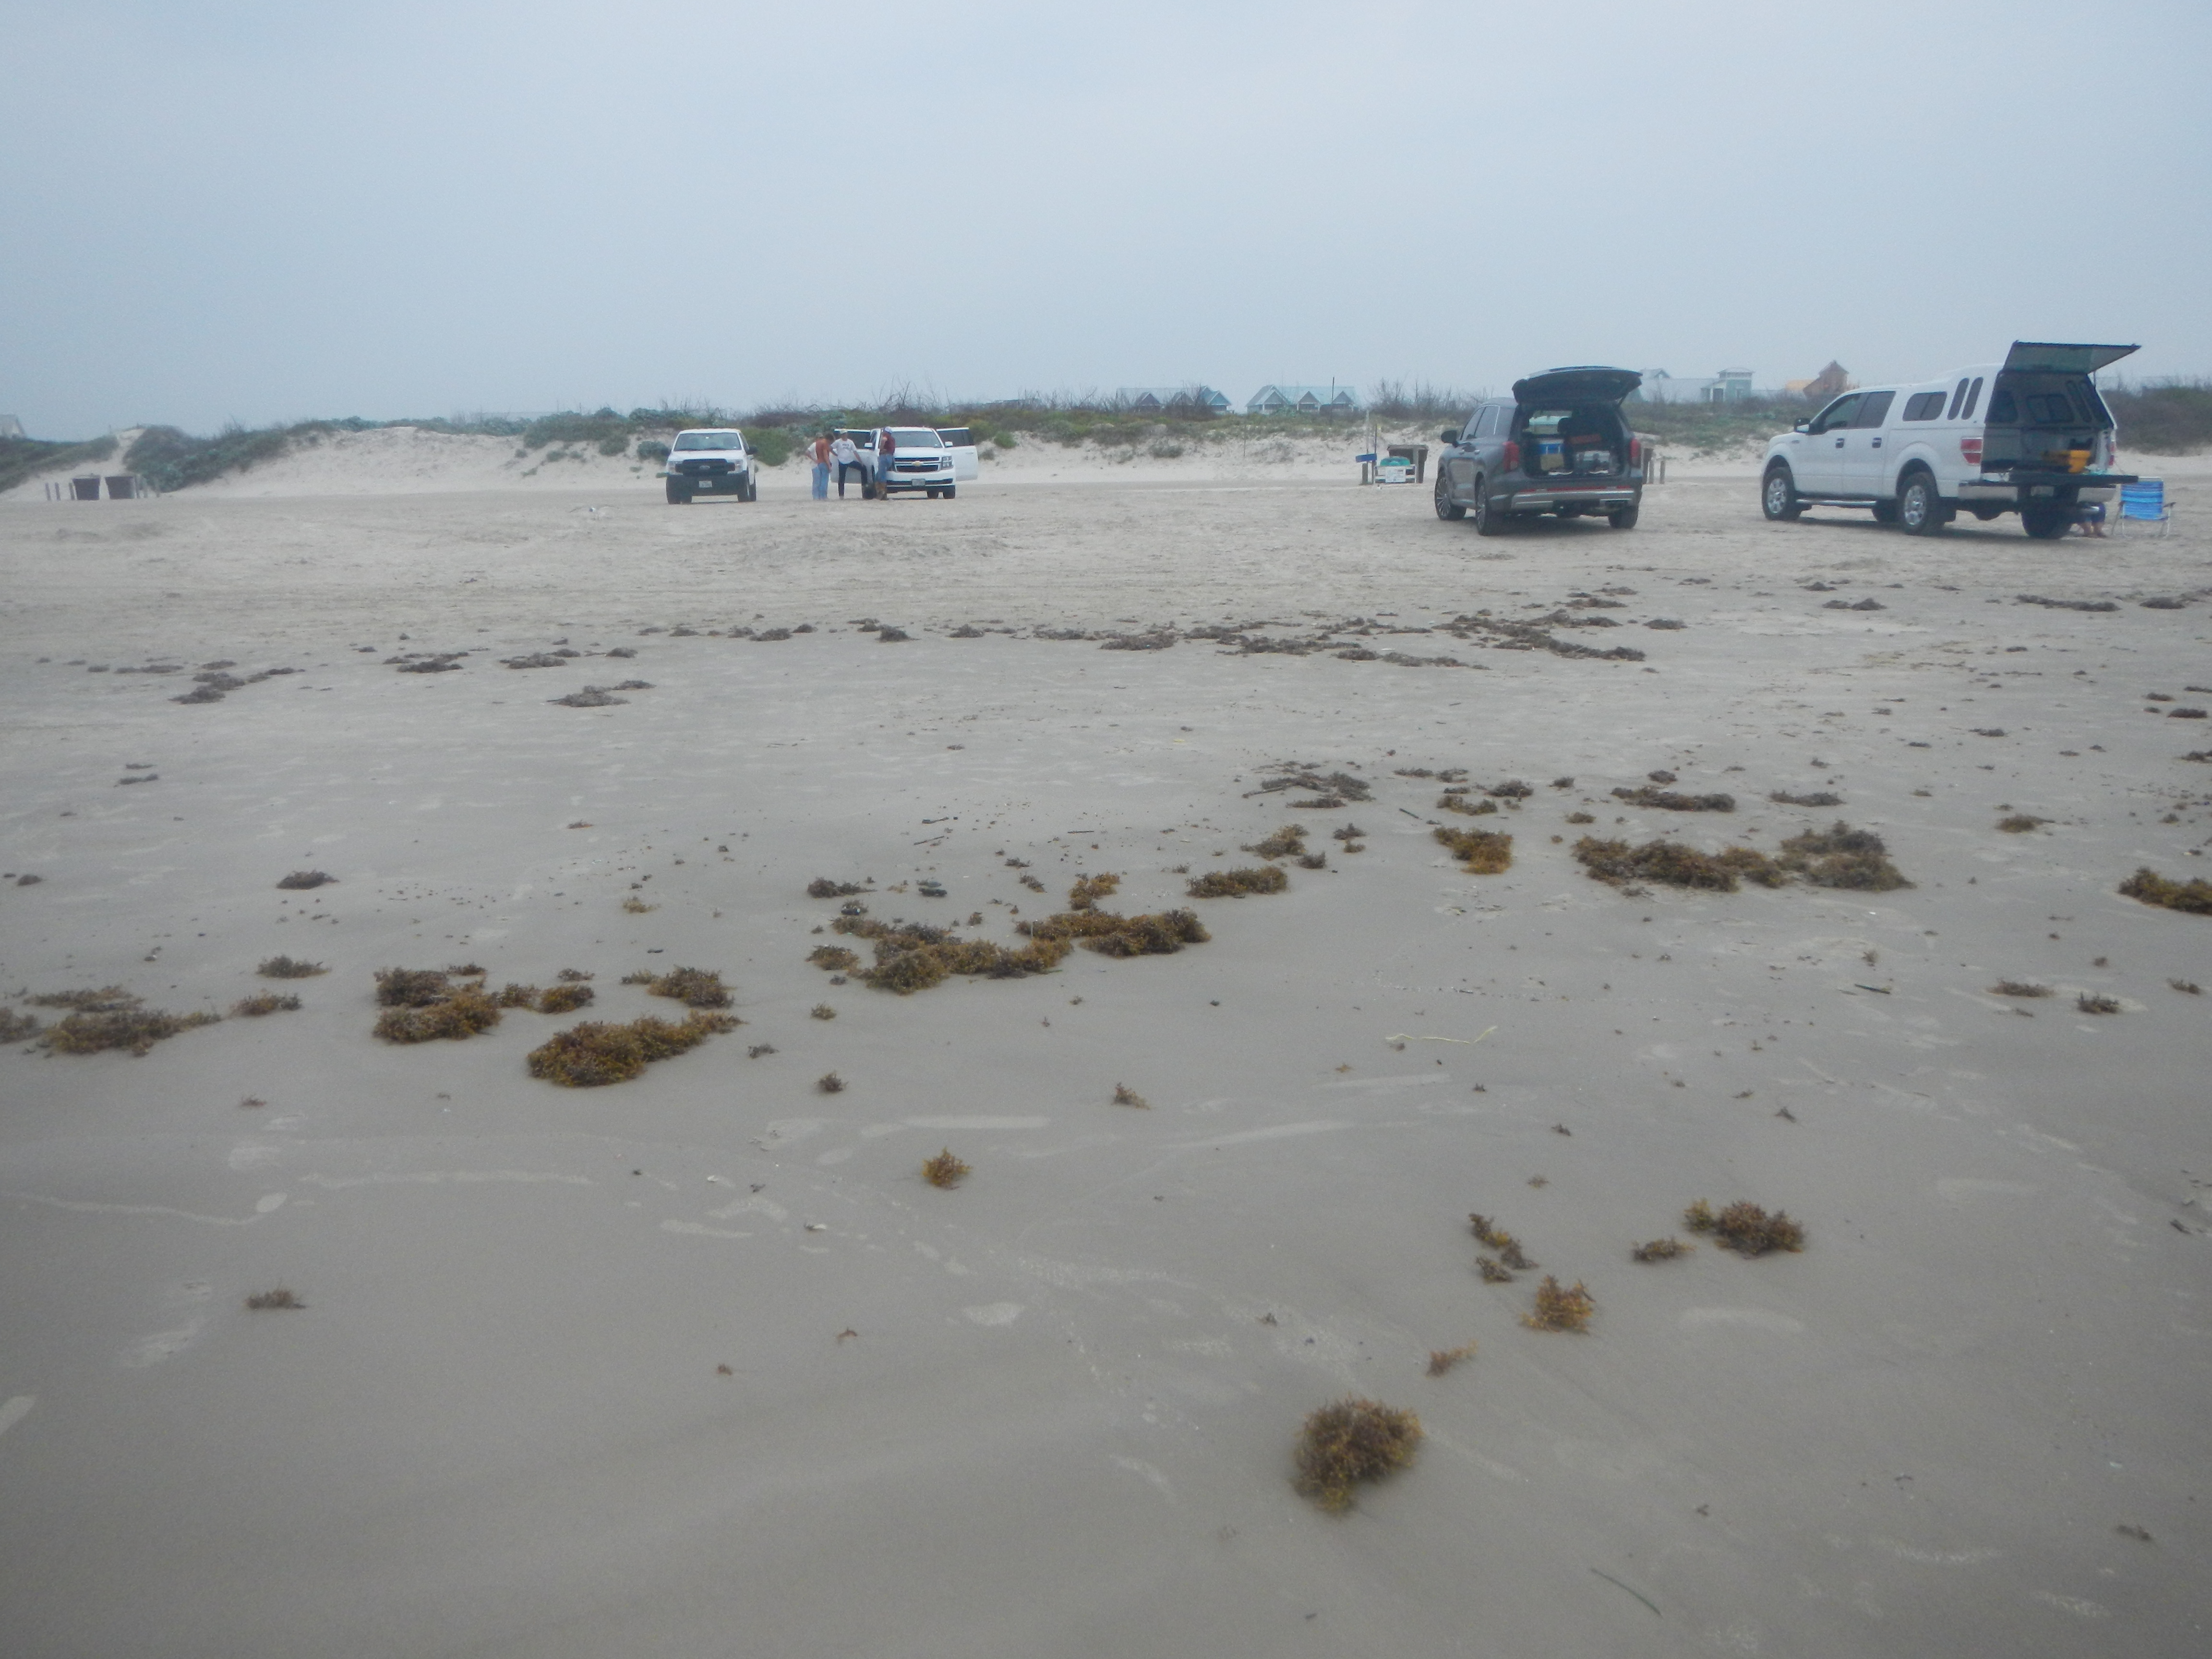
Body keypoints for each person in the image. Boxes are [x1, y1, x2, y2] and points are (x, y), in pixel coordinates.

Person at [830, 432, 862, 498]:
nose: (845, 435)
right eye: (843, 434)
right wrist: (835, 454)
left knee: (863, 469)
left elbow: (855, 452)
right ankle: (841, 495)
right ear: (841, 435)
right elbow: (830, 448)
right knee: (842, 478)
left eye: (845, 434)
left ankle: (866, 488)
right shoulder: (838, 442)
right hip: (842, 462)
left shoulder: (850, 442)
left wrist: (860, 461)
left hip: (850, 461)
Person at [809, 431, 831, 500]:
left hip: (818, 464)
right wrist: (829, 465)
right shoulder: (820, 444)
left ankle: (817, 496)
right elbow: (825, 455)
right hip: (820, 463)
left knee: (819, 481)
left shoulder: (818, 444)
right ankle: (821, 496)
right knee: (822, 481)